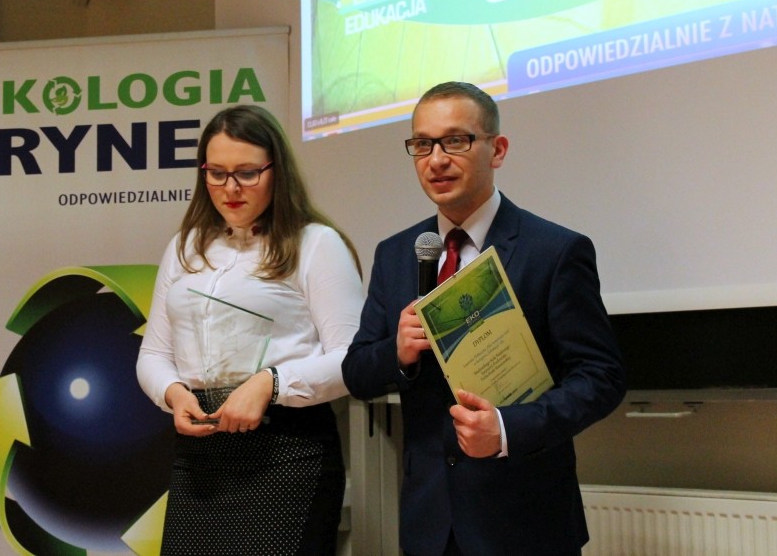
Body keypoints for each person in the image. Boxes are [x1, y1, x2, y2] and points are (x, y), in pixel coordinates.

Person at [341, 82, 626, 556]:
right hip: (431, 525)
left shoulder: (554, 250)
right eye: (423, 144)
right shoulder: (395, 254)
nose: (436, 160)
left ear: (498, 149)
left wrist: (508, 428)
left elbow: (601, 377)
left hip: (526, 523)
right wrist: (398, 351)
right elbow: (356, 373)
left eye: (455, 141)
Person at [137, 104, 365, 556]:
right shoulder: (185, 246)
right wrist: (173, 394)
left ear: (277, 169)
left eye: (247, 173)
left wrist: (271, 383)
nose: (231, 188)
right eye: (216, 173)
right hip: (198, 460)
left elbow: (353, 358)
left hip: (288, 453)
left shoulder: (316, 243)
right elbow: (154, 355)